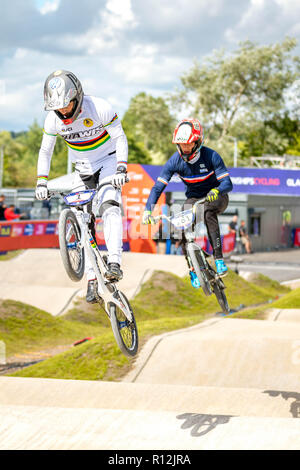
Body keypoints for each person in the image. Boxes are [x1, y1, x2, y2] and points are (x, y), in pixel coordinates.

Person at [35, 70, 129, 304]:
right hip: (82, 168)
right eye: (58, 107)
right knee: (82, 220)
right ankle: (91, 278)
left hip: (108, 160)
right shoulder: (53, 119)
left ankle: (115, 262)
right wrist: (41, 180)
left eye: (67, 105)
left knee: (110, 205)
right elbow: (46, 151)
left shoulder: (99, 107)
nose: (64, 111)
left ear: (77, 96)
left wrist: (121, 168)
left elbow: (120, 138)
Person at [142, 118, 233, 278]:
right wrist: (147, 210)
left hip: (217, 196)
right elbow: (158, 187)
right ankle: (192, 267)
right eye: (181, 144)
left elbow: (228, 183)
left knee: (207, 212)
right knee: (182, 224)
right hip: (194, 198)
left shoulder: (211, 156)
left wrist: (217, 190)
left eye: (188, 144)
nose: (184, 147)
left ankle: (219, 259)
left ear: (197, 142)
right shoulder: (174, 162)